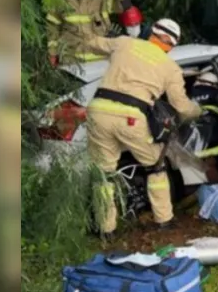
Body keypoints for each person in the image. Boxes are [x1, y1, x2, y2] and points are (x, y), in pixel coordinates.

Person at [84, 19, 202, 237]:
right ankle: (164, 220)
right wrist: (199, 110)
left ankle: (105, 229)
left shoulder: (124, 43)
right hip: (131, 117)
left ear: (152, 33)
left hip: (98, 112)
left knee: (104, 174)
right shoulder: (170, 68)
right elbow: (181, 106)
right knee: (155, 167)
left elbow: (91, 42)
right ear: (171, 45)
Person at [43, 0, 143, 66]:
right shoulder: (60, 3)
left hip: (101, 63)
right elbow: (51, 30)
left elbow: (125, 4)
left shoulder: (101, 0)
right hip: (72, 64)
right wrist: (52, 54)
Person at [188, 72, 218, 180]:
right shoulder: (215, 95)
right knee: (215, 163)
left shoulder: (191, 95)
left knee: (209, 164)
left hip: (198, 141)